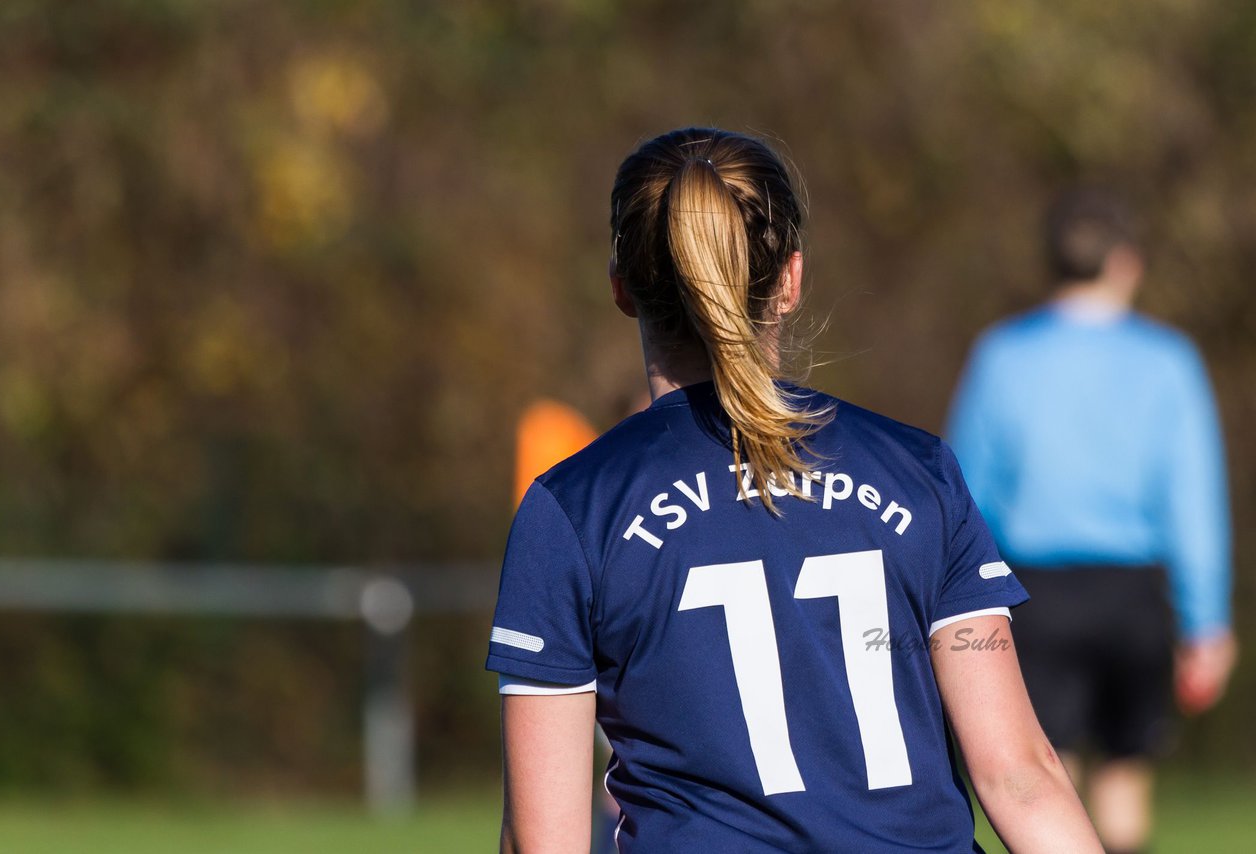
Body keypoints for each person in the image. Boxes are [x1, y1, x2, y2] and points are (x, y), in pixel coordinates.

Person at [488, 127, 1101, 853]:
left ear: (622, 286)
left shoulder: (573, 509)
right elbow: (1022, 779)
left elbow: (545, 842)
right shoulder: (920, 472)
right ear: (791, 279)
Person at [947, 188, 1237, 854]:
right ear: (1126, 263)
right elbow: (1194, 503)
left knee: (1046, 779)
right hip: (1133, 594)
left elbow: (963, 494)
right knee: (1124, 784)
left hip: (1032, 594)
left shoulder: (1002, 355)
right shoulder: (1168, 360)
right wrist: (1207, 624)